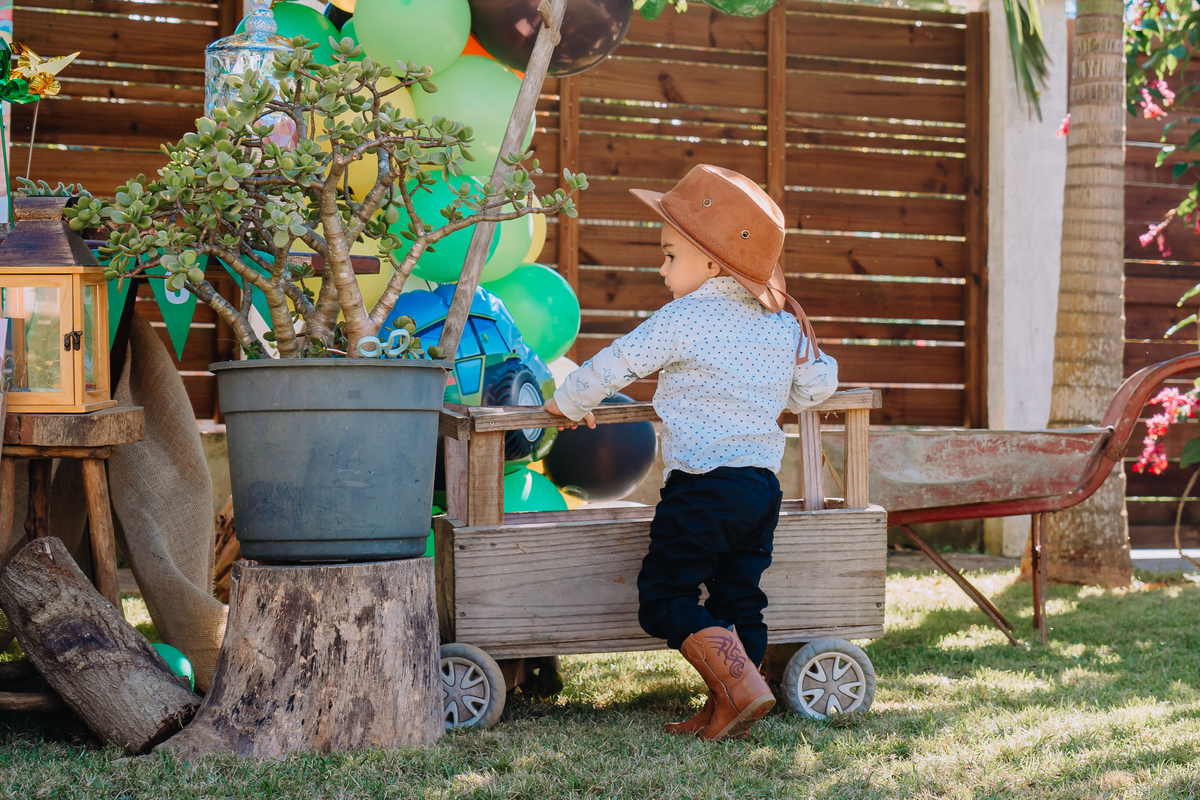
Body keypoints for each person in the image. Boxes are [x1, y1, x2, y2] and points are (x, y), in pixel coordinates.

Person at [543, 164, 839, 740]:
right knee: (739, 600)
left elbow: (618, 362)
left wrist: (568, 401)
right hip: (759, 488)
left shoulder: (683, 318)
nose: (661, 269)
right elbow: (812, 389)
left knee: (664, 596)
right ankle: (730, 705)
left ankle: (740, 689)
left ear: (711, 264)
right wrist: (798, 373)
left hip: (703, 485)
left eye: (670, 255)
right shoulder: (780, 327)